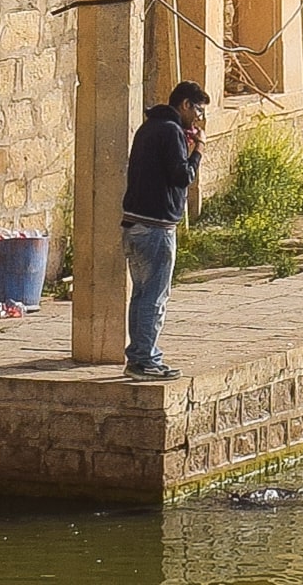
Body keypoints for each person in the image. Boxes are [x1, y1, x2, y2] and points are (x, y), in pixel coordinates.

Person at [122, 81, 208, 381]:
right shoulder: (170, 131)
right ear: (184, 104)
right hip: (155, 228)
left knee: (141, 295)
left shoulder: (148, 128)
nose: (198, 117)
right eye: (197, 109)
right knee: (154, 297)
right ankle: (145, 360)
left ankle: (138, 356)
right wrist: (198, 150)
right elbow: (181, 176)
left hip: (135, 224)